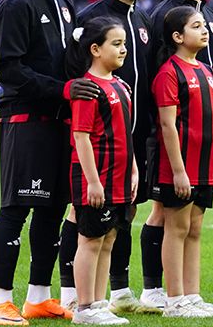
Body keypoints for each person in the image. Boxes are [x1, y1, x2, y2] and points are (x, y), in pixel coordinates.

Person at [0, 0, 81, 326]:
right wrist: (61, 89)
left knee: (52, 208)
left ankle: (39, 297)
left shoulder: (63, 2)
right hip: (25, 120)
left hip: (61, 119)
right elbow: (9, 68)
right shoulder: (16, 5)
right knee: (17, 208)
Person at [68, 0, 155, 315]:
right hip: (93, 143)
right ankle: (74, 295)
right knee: (82, 219)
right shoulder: (90, 20)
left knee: (123, 217)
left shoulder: (142, 20)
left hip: (131, 142)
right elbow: (74, 80)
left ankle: (116, 291)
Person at [149, 0, 213, 308]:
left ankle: (188, 295)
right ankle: (159, 291)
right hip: (173, 138)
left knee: (192, 223)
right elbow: (158, 83)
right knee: (164, 215)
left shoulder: (211, 17)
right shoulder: (164, 17)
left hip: (205, 137)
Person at [68, 17, 137, 326]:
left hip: (119, 178)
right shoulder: (88, 89)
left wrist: (133, 169)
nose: (123, 50)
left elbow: (125, 134)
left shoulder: (121, 85)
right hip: (97, 179)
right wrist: (93, 182)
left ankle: (98, 303)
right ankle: (84, 308)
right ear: (95, 49)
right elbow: (81, 137)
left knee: (108, 239)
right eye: (116, 44)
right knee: (90, 240)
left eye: (124, 44)